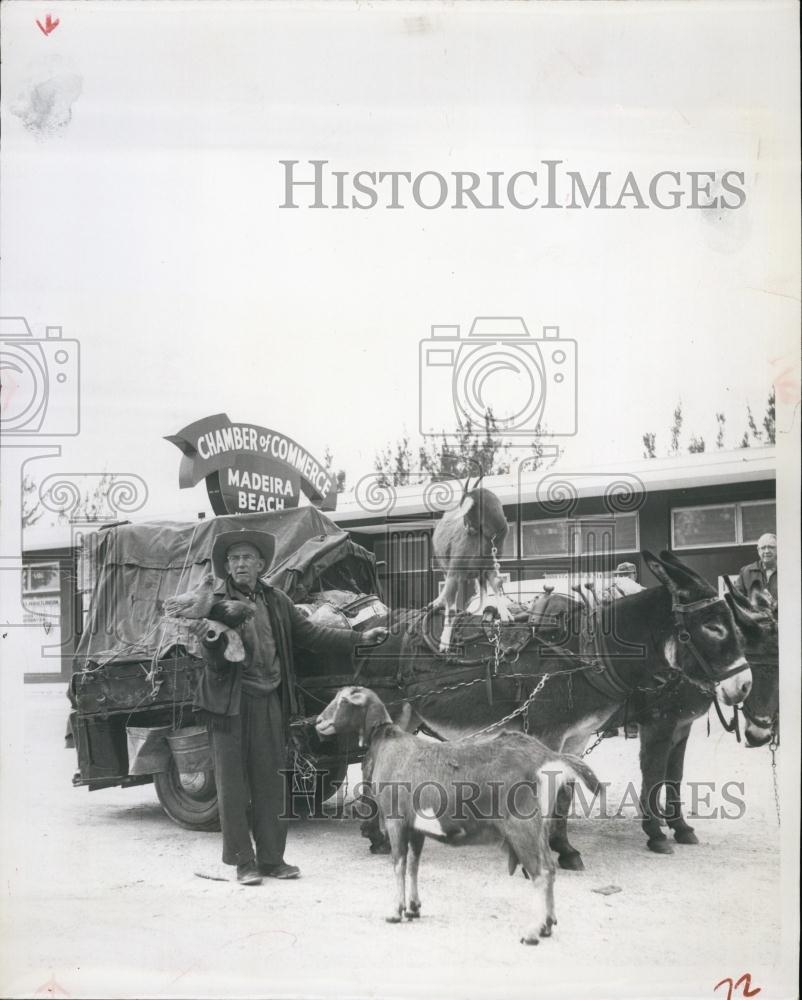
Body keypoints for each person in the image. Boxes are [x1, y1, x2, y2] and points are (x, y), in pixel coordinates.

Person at [193, 527, 387, 886]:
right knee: (233, 786)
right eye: (233, 559)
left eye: (247, 558)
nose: (239, 565)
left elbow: (312, 634)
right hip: (229, 706)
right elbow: (208, 653)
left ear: (261, 564)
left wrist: (360, 638)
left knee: (272, 783)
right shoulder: (215, 600)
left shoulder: (276, 600)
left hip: (269, 700)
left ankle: (271, 859)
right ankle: (243, 862)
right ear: (226, 566)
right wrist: (214, 636)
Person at [737, 532, 777, 602]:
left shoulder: (788, 571)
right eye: (763, 548)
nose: (767, 551)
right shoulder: (746, 572)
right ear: (758, 550)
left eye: (771, 547)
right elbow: (737, 599)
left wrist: (775, 604)